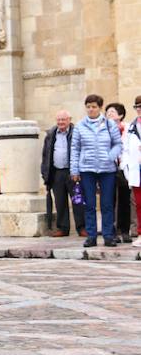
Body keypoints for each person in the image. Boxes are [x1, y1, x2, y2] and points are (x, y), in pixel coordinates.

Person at [71, 94, 122, 247]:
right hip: (87, 169)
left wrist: (109, 156)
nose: (91, 109)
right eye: (88, 106)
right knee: (90, 204)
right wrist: (75, 170)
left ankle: (108, 236)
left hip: (107, 170)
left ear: (100, 107)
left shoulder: (109, 124)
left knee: (107, 204)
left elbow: (118, 144)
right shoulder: (80, 126)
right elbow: (75, 149)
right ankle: (91, 236)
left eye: (94, 106)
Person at [40, 111, 85, 237]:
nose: (61, 122)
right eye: (58, 120)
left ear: (69, 120)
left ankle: (82, 227)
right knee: (60, 202)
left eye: (63, 120)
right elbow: (45, 154)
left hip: (73, 172)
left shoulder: (76, 132)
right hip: (56, 172)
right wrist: (45, 173)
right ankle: (63, 228)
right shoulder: (51, 134)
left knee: (78, 201)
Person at [106, 103, 133, 243]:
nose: (109, 113)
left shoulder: (129, 129)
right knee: (109, 201)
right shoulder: (103, 129)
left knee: (124, 201)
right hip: (108, 168)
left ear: (121, 115)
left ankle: (125, 230)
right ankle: (111, 231)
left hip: (123, 168)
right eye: (107, 112)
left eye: (112, 111)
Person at [124, 96, 141, 246]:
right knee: (139, 203)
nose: (140, 110)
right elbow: (126, 149)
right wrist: (126, 167)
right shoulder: (131, 127)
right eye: (138, 107)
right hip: (137, 170)